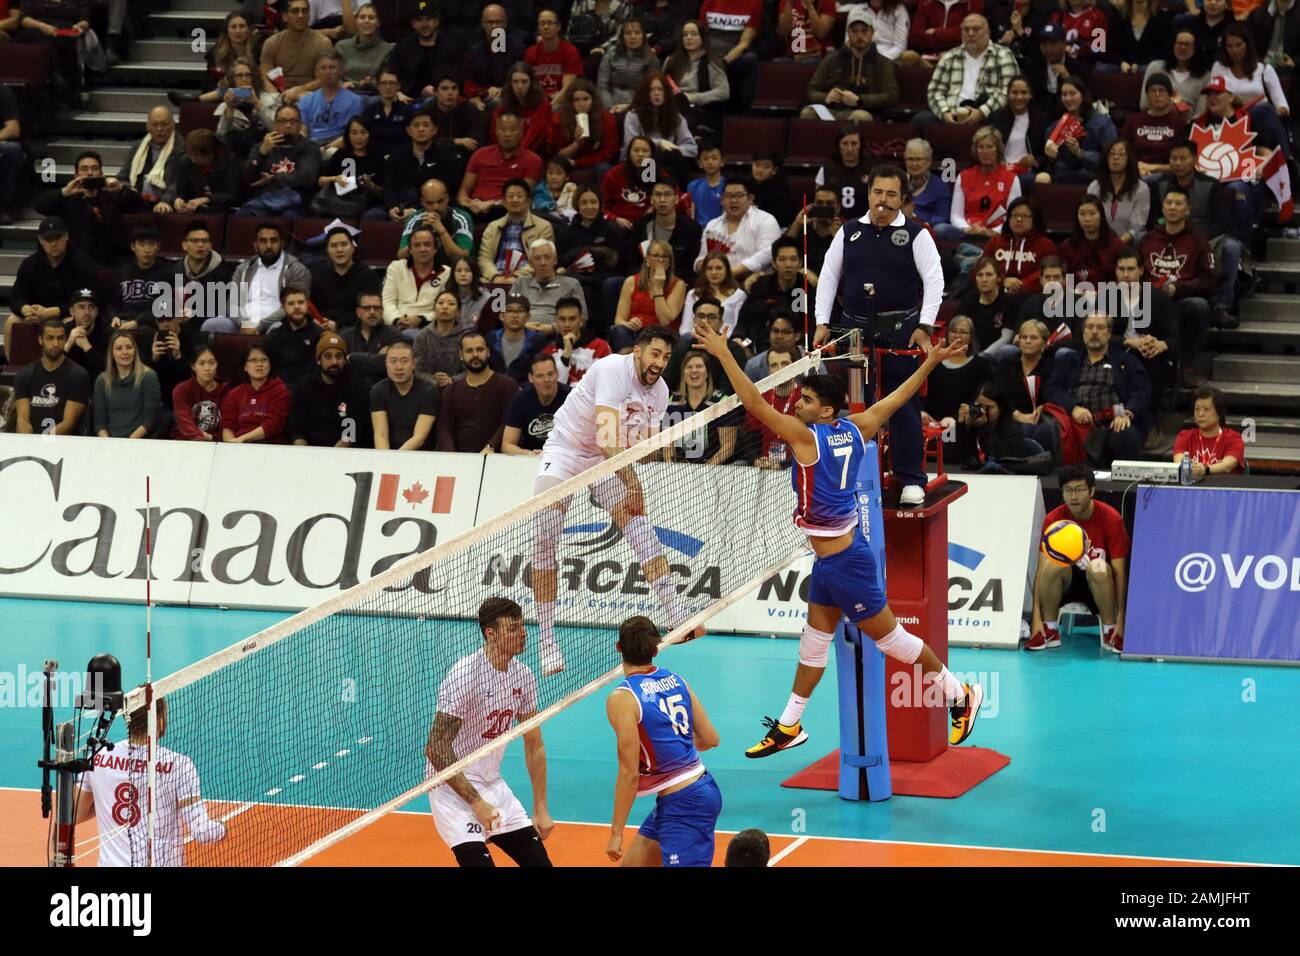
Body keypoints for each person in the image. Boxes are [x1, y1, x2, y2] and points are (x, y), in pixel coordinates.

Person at [693, 320, 983, 753]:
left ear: (826, 411)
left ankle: (960, 695)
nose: (798, 404)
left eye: (806, 400)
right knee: (813, 641)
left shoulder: (805, 439)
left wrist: (723, 354)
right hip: (832, 560)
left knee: (892, 641)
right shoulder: (855, 428)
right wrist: (930, 363)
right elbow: (896, 399)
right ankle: (790, 725)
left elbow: (752, 401)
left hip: (847, 561)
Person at [529, 329, 693, 675]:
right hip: (567, 451)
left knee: (640, 530)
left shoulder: (660, 392)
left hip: (608, 462)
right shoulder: (611, 370)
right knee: (544, 534)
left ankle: (676, 613)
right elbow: (607, 439)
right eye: (655, 354)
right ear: (638, 352)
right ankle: (547, 641)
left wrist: (658, 446)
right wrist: (633, 484)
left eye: (666, 357)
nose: (660, 363)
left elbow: (637, 450)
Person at [814, 163, 945, 507]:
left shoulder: (917, 235)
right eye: (877, 193)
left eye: (891, 195)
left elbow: (934, 281)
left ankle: (911, 479)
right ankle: (857, 475)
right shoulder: (849, 231)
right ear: (868, 193)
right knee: (857, 407)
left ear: (902, 198)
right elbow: (828, 276)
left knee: (901, 405)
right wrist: (821, 321)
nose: (883, 201)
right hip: (854, 331)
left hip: (900, 331)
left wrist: (925, 326)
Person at [423, 597, 554, 868]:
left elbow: (534, 744)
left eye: (522, 626)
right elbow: (436, 748)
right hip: (452, 788)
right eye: (512, 628)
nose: (522, 634)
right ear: (490, 634)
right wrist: (477, 804)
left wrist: (540, 806)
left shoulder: (523, 676)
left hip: (492, 784)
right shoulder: (464, 676)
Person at [606, 614, 722, 867]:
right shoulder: (677, 680)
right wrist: (676, 742)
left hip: (685, 803)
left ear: (618, 647)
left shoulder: (622, 698)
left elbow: (629, 773)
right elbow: (711, 739)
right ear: (656, 650)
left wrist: (616, 832)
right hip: (697, 789)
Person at [71, 695, 226, 867]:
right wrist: (222, 828)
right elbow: (202, 831)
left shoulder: (97, 758)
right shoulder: (179, 765)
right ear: (159, 721)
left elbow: (75, 814)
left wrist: (105, 800)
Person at [1028, 464, 1130, 653]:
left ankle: (1111, 631)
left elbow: (1120, 573)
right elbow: (1040, 572)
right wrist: (1036, 619)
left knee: (1098, 566)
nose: (1073, 497)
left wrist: (1122, 621)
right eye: (1068, 490)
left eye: (1080, 490)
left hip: (1100, 587)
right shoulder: (1054, 520)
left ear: (1092, 491)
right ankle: (1049, 628)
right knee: (1050, 564)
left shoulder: (1111, 519)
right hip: (1066, 585)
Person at [1044, 313, 1151, 465]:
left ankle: (1126, 488)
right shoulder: (1068, 361)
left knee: (1127, 435)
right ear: (1083, 332)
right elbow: (1052, 389)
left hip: (1113, 420)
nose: (1094, 332)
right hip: (1075, 421)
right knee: (1044, 432)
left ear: (1109, 334)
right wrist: (1072, 408)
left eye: (1100, 327)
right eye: (1090, 327)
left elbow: (1142, 391)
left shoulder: (1126, 361)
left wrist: (1126, 413)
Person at [1138, 186, 1216, 371]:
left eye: (1178, 203)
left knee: (1200, 306)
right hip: (1150, 300)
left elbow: (1209, 280)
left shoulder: (1198, 240)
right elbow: (1135, 271)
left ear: (1188, 209)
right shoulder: (1148, 239)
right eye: (1169, 203)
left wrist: (1178, 289)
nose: (1173, 207)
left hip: (1181, 300)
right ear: (1163, 208)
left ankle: (1186, 365)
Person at [5, 218, 97, 357]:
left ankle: (63, 368)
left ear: (66, 236)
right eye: (48, 239)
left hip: (65, 315)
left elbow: (87, 301)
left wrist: (51, 312)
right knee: (11, 322)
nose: (53, 243)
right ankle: (12, 367)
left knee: (74, 322)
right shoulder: (30, 263)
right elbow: (16, 297)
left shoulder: (82, 263)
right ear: (41, 241)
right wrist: (26, 310)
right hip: (36, 315)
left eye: (58, 238)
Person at [935, 126, 1023, 257]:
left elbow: (1013, 217)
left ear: (998, 149)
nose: (985, 151)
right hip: (967, 232)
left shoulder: (1011, 179)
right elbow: (956, 215)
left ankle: (975, 255)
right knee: (940, 229)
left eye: (990, 147)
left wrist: (992, 231)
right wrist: (967, 228)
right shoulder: (964, 176)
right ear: (975, 151)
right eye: (981, 147)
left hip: (997, 233)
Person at [33, 150, 129, 266]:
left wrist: (121, 189)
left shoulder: (111, 197)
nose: (89, 173)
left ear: (101, 173)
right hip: (76, 262)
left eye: (94, 168)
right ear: (76, 175)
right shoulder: (67, 199)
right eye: (84, 169)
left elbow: (140, 205)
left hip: (109, 260)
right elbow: (39, 206)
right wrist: (64, 192)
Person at [921, 15, 1020, 126]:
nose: (971, 33)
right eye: (966, 30)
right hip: (951, 116)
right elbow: (934, 91)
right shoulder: (949, 57)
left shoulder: (1003, 56)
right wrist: (945, 113)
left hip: (988, 118)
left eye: (976, 29)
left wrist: (982, 112)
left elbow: (1008, 92)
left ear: (988, 32)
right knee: (920, 120)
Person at [802, 9, 899, 123]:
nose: (859, 36)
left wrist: (859, 100)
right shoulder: (832, 58)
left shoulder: (882, 63)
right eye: (854, 31)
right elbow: (810, 91)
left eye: (864, 31)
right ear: (848, 33)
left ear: (872, 33)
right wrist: (825, 97)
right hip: (832, 111)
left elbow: (891, 96)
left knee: (860, 116)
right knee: (807, 113)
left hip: (864, 111)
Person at [435, 331, 520, 452]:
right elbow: (444, 429)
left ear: (488, 352)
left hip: (496, 459)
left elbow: (508, 423)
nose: (475, 355)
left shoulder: (507, 386)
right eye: (469, 351)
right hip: (459, 460)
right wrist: (451, 457)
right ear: (461, 355)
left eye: (480, 350)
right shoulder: (451, 391)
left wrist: (490, 448)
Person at [237, 103, 322, 217]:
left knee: (289, 214)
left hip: (296, 200)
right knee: (244, 214)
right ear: (275, 125)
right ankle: (259, 205)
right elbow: (247, 178)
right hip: (266, 195)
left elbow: (305, 178)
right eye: (282, 121)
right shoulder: (262, 147)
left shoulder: (309, 147)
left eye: (293, 121)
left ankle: (256, 206)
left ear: (300, 125)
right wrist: (262, 153)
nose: (288, 125)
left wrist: (272, 178)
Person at [694, 177, 781, 284]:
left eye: (739, 195)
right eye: (729, 196)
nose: (734, 200)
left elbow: (768, 253)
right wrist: (704, 267)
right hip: (718, 283)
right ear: (722, 200)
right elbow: (702, 257)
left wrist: (730, 273)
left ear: (750, 198)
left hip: (756, 283)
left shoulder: (765, 220)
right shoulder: (712, 225)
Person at [290, 332, 371, 447]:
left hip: (346, 452)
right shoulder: (304, 387)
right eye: (328, 356)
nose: (334, 362)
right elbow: (298, 431)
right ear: (319, 360)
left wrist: (331, 458)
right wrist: (304, 455)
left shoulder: (358, 387)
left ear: (344, 360)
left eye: (338, 356)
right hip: (311, 452)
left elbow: (352, 431)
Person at [458, 111, 544, 220]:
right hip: (474, 209)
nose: (507, 134)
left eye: (512, 129)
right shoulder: (480, 154)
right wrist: (468, 204)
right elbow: (463, 191)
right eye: (502, 129)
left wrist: (491, 204)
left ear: (522, 132)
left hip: (506, 211)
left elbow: (522, 197)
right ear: (496, 131)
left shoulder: (533, 160)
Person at [12, 318, 90, 436]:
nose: (56, 344)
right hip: (31, 442)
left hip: (63, 444)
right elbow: (23, 420)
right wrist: (29, 442)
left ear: (66, 339)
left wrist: (44, 442)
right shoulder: (25, 374)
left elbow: (69, 422)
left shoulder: (78, 375)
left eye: (60, 338)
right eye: (50, 338)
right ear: (40, 340)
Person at [1038, 75, 1117, 185]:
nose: (1068, 98)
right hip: (1063, 178)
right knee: (1041, 178)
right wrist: (1051, 158)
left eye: (1072, 93)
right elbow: (1052, 164)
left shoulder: (1102, 123)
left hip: (1094, 178)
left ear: (1082, 95)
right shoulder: (1054, 127)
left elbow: (1111, 159)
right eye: (1064, 94)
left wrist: (1080, 153)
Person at [611, 239, 687, 352]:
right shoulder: (631, 281)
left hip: (661, 335)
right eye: (656, 256)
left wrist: (658, 289)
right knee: (620, 331)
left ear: (670, 261)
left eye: (665, 256)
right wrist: (629, 323)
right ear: (647, 258)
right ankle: (629, 363)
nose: (660, 260)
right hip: (635, 333)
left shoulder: (678, 285)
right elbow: (618, 319)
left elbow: (665, 320)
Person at [663, 351, 737, 463]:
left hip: (716, 469)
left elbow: (727, 447)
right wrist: (671, 466)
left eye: (699, 366)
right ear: (683, 373)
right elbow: (667, 445)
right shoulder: (672, 402)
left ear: (707, 373)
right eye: (689, 367)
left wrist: (705, 471)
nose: (694, 370)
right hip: (679, 470)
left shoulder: (721, 402)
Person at [367, 340, 438, 451]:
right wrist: (385, 460)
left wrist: (397, 459)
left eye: (404, 361)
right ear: (386, 364)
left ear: (413, 364)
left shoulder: (429, 390)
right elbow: (381, 435)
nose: (399, 367)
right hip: (388, 454)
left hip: (422, 454)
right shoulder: (378, 391)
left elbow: (419, 437)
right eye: (393, 361)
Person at [980, 197, 1056, 298]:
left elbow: (1049, 274)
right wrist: (1002, 281)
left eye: (1024, 216)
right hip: (996, 295)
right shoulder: (995, 242)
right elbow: (980, 269)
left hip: (1032, 297)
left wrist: (1021, 285)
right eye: (1015, 215)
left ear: (1034, 219)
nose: (1019, 219)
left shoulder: (1046, 245)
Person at [259, 0, 334, 103]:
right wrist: (276, 97)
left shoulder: (322, 43)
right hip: (278, 94)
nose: (300, 15)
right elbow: (264, 76)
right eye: (295, 11)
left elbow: (324, 79)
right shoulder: (271, 43)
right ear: (285, 16)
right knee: (265, 99)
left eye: (305, 11)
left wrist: (300, 90)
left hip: (309, 94)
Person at [383, 224, 451, 335]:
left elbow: (445, 308)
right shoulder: (396, 267)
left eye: (427, 244)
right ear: (410, 250)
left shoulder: (446, 273)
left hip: (430, 327)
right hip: (396, 326)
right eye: (417, 245)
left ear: (435, 249)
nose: (422, 249)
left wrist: (421, 320)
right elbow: (387, 302)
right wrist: (397, 320)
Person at [663, 20, 730, 134]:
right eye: (685, 35)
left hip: (700, 110)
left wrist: (692, 97)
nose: (688, 38)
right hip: (673, 106)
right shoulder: (671, 61)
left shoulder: (711, 62)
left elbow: (723, 92)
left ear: (702, 37)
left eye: (693, 34)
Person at [310, 225, 382, 330]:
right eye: (334, 246)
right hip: (322, 327)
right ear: (327, 251)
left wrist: (337, 325)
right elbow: (312, 307)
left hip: (355, 328)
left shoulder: (368, 276)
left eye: (344, 244)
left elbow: (370, 311)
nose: (339, 250)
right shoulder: (318, 275)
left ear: (352, 248)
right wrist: (316, 320)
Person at [94, 330, 160, 439]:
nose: (125, 352)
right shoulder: (102, 380)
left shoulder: (148, 377)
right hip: (110, 442)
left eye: (129, 347)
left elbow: (149, 421)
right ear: (112, 353)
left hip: (140, 441)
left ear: (135, 350)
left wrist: (127, 443)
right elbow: (100, 423)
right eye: (119, 348)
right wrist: (107, 442)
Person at [1122, 73, 1188, 179]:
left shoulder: (1179, 124)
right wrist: (1135, 167)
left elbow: (1184, 162)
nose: (1157, 94)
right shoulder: (1133, 120)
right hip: (1136, 172)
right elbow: (1122, 150)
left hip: (1167, 175)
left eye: (1161, 90)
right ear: (1147, 95)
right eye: (1152, 90)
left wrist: (1154, 167)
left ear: (1170, 95)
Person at [221, 344, 291, 444]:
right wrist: (231, 444)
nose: (259, 364)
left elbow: (273, 424)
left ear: (270, 365)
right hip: (239, 446)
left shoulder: (279, 390)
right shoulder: (235, 394)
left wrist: (243, 438)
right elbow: (228, 425)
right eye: (253, 360)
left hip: (270, 445)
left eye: (264, 360)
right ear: (245, 367)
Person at [548, 77, 621, 173]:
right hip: (567, 162)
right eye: (577, 100)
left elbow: (608, 153)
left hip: (594, 163)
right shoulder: (559, 119)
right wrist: (576, 143)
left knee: (604, 168)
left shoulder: (606, 118)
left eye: (586, 99)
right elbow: (557, 154)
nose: (582, 104)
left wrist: (578, 163)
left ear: (593, 100)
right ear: (571, 102)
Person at [463, 4, 528, 112]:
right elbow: (467, 81)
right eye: (490, 22)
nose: (494, 26)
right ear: (483, 24)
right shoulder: (473, 51)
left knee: (495, 102)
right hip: (480, 98)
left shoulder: (518, 49)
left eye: (498, 22)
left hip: (509, 97)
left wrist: (503, 90)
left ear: (505, 23)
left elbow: (521, 80)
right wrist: (475, 97)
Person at [511, 239, 589, 328]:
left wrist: (552, 329)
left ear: (555, 260)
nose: (543, 263)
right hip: (523, 334)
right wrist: (523, 326)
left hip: (558, 337)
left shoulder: (571, 284)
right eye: (537, 258)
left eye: (547, 257)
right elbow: (505, 315)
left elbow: (582, 320)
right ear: (531, 263)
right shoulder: (520, 283)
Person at [502, 353, 570, 454]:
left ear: (557, 374)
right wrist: (529, 454)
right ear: (530, 378)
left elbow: (583, 441)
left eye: (550, 374)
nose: (546, 380)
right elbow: (507, 445)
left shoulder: (571, 398)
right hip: (531, 459)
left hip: (564, 457)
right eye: (540, 376)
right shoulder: (520, 400)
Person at [164, 129, 243, 215]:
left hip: (221, 210)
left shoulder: (229, 162)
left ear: (210, 154)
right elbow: (182, 192)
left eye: (196, 156)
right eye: (190, 155)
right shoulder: (185, 162)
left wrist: (207, 199)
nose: (192, 160)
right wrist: (178, 200)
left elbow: (233, 195)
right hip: (194, 209)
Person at [1173, 384, 1247, 475]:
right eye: (1197, 409)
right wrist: (1192, 467)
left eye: (1206, 409)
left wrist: (1205, 470)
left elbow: (1227, 466)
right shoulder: (1184, 436)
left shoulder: (1233, 438)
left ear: (1219, 413)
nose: (1200, 414)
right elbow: (1178, 461)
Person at [1087, 140, 1151, 245]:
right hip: (1100, 242)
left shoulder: (1141, 188)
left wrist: (1117, 244)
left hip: (1129, 243)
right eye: (1112, 154)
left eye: (1121, 154)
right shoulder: (1095, 186)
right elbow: (1090, 218)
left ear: (1129, 159)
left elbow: (1137, 226)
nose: (1115, 158)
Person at [297, 51, 365, 147]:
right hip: (313, 145)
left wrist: (326, 149)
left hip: (340, 145)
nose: (328, 72)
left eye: (332, 68)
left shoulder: (355, 101)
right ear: (317, 72)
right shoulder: (306, 100)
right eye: (323, 68)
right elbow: (302, 130)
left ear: (340, 71)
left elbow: (352, 134)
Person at [397, 178, 474, 263]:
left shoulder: (462, 218)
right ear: (422, 202)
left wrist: (442, 232)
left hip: (454, 272)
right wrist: (420, 232)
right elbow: (401, 256)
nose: (436, 207)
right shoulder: (414, 219)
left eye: (440, 201)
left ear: (447, 198)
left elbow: (463, 258)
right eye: (430, 203)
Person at [388, 1, 452, 100]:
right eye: (419, 20)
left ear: (436, 22)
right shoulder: (403, 47)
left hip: (440, 100)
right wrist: (398, 93)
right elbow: (391, 74)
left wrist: (437, 90)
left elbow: (456, 79)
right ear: (413, 23)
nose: (424, 24)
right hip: (406, 99)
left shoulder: (450, 48)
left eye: (428, 19)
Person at [600, 17, 662, 113]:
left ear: (643, 36)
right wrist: (610, 107)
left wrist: (629, 106)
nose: (633, 37)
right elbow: (602, 86)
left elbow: (651, 91)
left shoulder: (651, 59)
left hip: (637, 107)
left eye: (637, 33)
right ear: (622, 37)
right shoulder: (610, 55)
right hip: (609, 106)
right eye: (628, 33)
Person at [1058, 195, 1124, 284]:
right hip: (1074, 295)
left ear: (1101, 216)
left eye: (1092, 213)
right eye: (1082, 214)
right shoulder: (1066, 247)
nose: (1087, 219)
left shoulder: (1116, 245)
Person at [1024, 21, 1087, 114]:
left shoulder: (1078, 68)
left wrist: (1068, 78)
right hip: (1039, 116)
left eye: (1053, 43)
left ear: (1064, 44)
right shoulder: (1033, 67)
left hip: (1068, 115)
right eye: (1044, 44)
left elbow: (1086, 99)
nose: (1048, 48)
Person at [492, 61, 552, 157]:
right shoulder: (503, 106)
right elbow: (495, 136)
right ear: (510, 83)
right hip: (505, 155)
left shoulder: (543, 106)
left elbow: (533, 139)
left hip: (533, 156)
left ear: (532, 83)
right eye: (515, 82)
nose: (519, 86)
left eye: (524, 82)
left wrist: (512, 156)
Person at [414, 290, 474, 385]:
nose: (445, 307)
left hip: (462, 387)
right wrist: (433, 380)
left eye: (451, 304)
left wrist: (451, 380)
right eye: (440, 303)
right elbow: (417, 370)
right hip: (428, 388)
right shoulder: (422, 336)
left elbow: (472, 368)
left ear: (458, 311)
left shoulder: (468, 337)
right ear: (434, 308)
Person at [172, 344, 230, 441]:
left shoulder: (227, 391)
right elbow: (185, 423)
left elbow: (228, 425)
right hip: (186, 442)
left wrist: (213, 438)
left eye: (211, 363)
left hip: (217, 443)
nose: (207, 368)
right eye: (201, 363)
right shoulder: (181, 390)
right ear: (193, 366)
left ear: (217, 364)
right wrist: (201, 438)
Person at [490, 295, 550, 381]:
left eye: (520, 311)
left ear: (528, 316)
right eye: (510, 310)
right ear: (501, 316)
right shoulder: (491, 339)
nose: (515, 315)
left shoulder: (537, 341)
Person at [526, 7, 583, 99]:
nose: (546, 27)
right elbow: (527, 85)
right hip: (537, 101)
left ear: (558, 27)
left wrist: (549, 107)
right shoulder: (530, 52)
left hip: (562, 101)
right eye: (542, 23)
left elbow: (567, 89)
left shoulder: (570, 51)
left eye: (550, 23)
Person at [335, 2, 393, 88]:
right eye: (362, 17)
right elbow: (332, 74)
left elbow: (387, 81)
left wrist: (371, 84)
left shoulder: (387, 49)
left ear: (378, 23)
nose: (366, 21)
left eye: (371, 17)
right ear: (356, 21)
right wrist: (341, 85)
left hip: (372, 94)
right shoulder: (341, 47)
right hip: (344, 92)